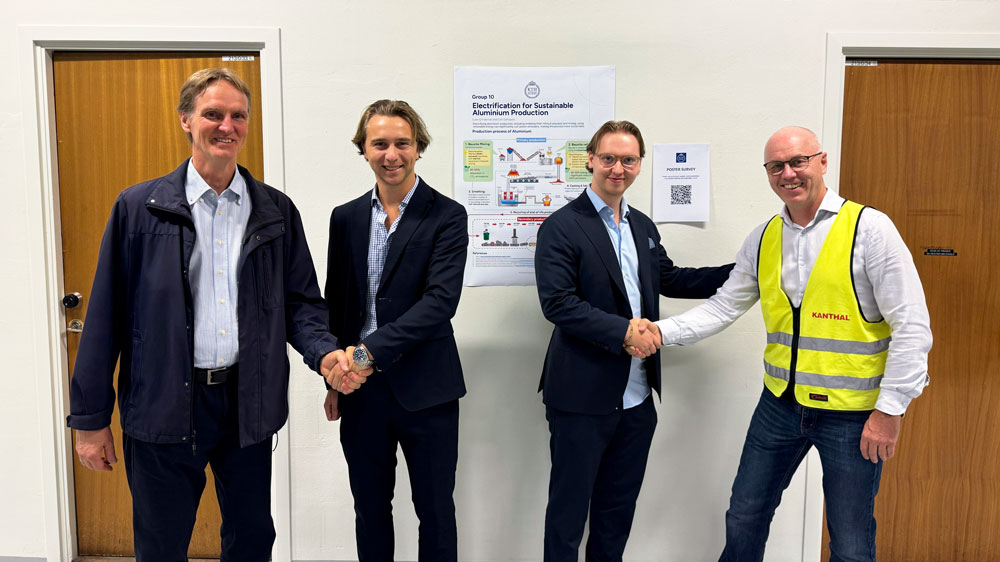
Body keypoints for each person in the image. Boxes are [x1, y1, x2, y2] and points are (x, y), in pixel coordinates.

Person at [67, 68, 368, 561]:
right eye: (213, 114)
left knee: (251, 542)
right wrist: (90, 419)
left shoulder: (274, 211)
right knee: (161, 546)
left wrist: (326, 355)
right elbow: (105, 319)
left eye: (238, 116)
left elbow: (301, 305)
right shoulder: (140, 209)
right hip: (162, 404)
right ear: (186, 119)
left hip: (247, 404)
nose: (227, 126)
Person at [652, 126, 932, 561]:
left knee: (851, 540)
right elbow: (724, 306)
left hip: (853, 414)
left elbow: (912, 325)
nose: (788, 173)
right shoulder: (764, 237)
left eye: (798, 161)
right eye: (776, 166)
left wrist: (890, 409)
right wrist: (658, 332)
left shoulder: (869, 229)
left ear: (822, 162)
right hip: (780, 406)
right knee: (745, 514)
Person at [534, 120, 734, 562]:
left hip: (637, 400)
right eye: (608, 158)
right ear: (590, 160)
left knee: (616, 513)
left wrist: (742, 271)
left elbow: (670, 278)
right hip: (581, 399)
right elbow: (559, 303)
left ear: (640, 164)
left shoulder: (642, 225)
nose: (617, 168)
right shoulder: (562, 227)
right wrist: (624, 331)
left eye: (628, 159)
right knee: (568, 517)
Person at [324, 99, 469, 562]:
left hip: (427, 389)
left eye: (402, 143)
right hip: (359, 390)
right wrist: (333, 375)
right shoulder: (344, 217)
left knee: (435, 511)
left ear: (419, 148)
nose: (392, 154)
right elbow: (338, 302)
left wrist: (363, 356)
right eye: (379, 143)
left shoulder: (447, 215)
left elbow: (438, 305)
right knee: (369, 508)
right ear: (363, 150)